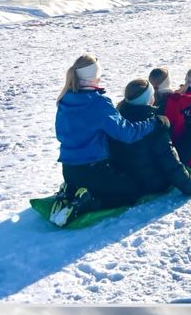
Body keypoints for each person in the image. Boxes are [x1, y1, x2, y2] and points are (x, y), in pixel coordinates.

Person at [49, 55, 160, 226]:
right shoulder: (98, 103)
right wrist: (153, 123)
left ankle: (70, 190)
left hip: (69, 170)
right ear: (95, 75)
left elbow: (61, 134)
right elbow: (127, 133)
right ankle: (89, 201)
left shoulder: (66, 99)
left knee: (101, 180)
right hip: (93, 171)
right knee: (133, 190)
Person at [107, 79, 191, 197]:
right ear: (149, 99)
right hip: (154, 183)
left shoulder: (118, 121)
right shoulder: (153, 124)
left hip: (131, 180)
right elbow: (170, 161)